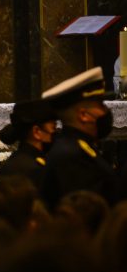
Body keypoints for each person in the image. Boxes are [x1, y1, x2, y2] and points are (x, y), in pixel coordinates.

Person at [41, 66, 119, 208]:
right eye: (101, 105)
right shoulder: (72, 156)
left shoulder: (77, 146)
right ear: (83, 115)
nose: (105, 111)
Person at [0, 99, 57, 190]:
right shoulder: (31, 168)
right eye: (53, 127)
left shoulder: (23, 159)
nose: (55, 133)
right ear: (37, 132)